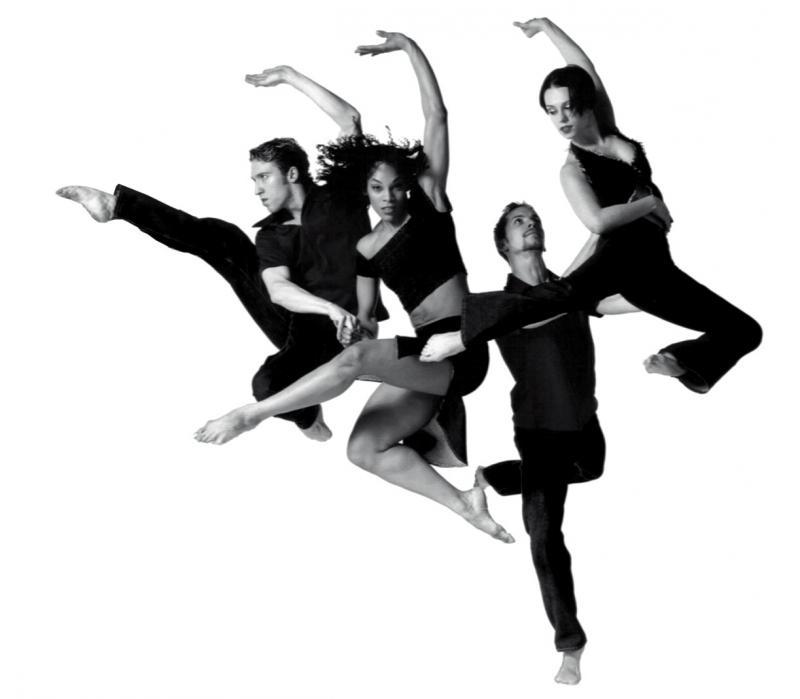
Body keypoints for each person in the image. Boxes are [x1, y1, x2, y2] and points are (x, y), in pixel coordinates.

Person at [195, 31, 513, 544]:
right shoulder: (366, 247)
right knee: (364, 449)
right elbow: (366, 321)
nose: (388, 197)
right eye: (376, 189)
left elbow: (437, 115)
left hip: (461, 345)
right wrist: (351, 328)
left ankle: (250, 415)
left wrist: (410, 48)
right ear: (364, 191)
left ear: (409, 184)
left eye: (396, 186)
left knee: (355, 362)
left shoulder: (431, 203)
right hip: (423, 356)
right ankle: (465, 505)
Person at [420, 17, 761, 392]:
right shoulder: (573, 169)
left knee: (745, 330)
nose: (561, 119)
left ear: (586, 103)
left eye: (568, 107)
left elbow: (584, 67)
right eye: (552, 111)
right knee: (551, 300)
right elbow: (597, 222)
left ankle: (680, 362)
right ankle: (460, 338)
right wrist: (650, 203)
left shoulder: (609, 130)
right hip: (619, 257)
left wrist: (547, 27)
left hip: (657, 266)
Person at [56, 68, 386, 441]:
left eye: (264, 177)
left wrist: (290, 76)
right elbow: (278, 290)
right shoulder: (272, 234)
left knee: (266, 384)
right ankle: (117, 206)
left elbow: (350, 119)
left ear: (292, 174)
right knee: (224, 239)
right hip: (302, 320)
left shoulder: (341, 197)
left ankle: (309, 413)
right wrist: (328, 308)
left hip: (343, 335)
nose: (257, 189)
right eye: (254, 180)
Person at [475, 201, 638, 684]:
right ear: (504, 245)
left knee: (592, 469)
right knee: (545, 537)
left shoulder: (569, 290)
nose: (531, 224)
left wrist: (664, 296)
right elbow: (556, 300)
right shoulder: (502, 305)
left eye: (534, 219)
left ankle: (495, 476)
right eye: (518, 222)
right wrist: (598, 242)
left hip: (584, 423)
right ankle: (570, 644)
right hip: (539, 433)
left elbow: (603, 292)